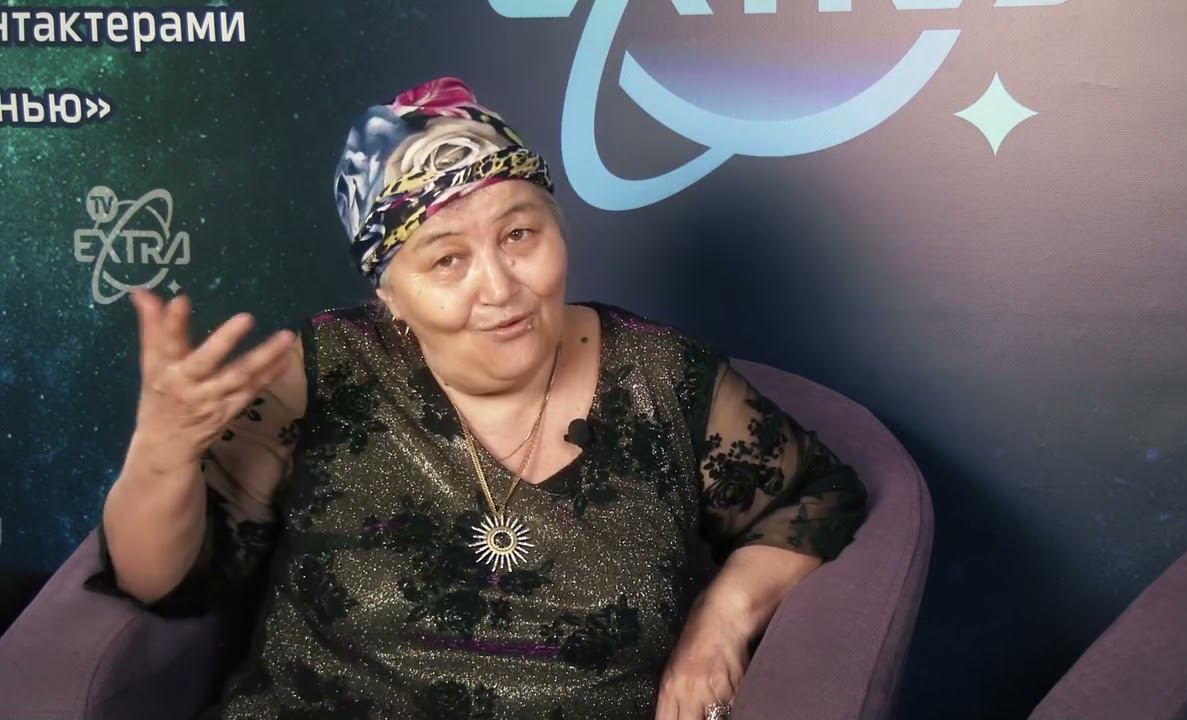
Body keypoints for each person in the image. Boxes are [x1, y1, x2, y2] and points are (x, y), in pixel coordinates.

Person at [84, 77, 869, 720]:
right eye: (447, 260)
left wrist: (720, 621)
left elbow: (814, 498)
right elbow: (161, 582)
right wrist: (159, 455)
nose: (499, 288)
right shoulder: (319, 372)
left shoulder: (664, 377)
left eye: (520, 235)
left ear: (558, 229)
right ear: (389, 294)